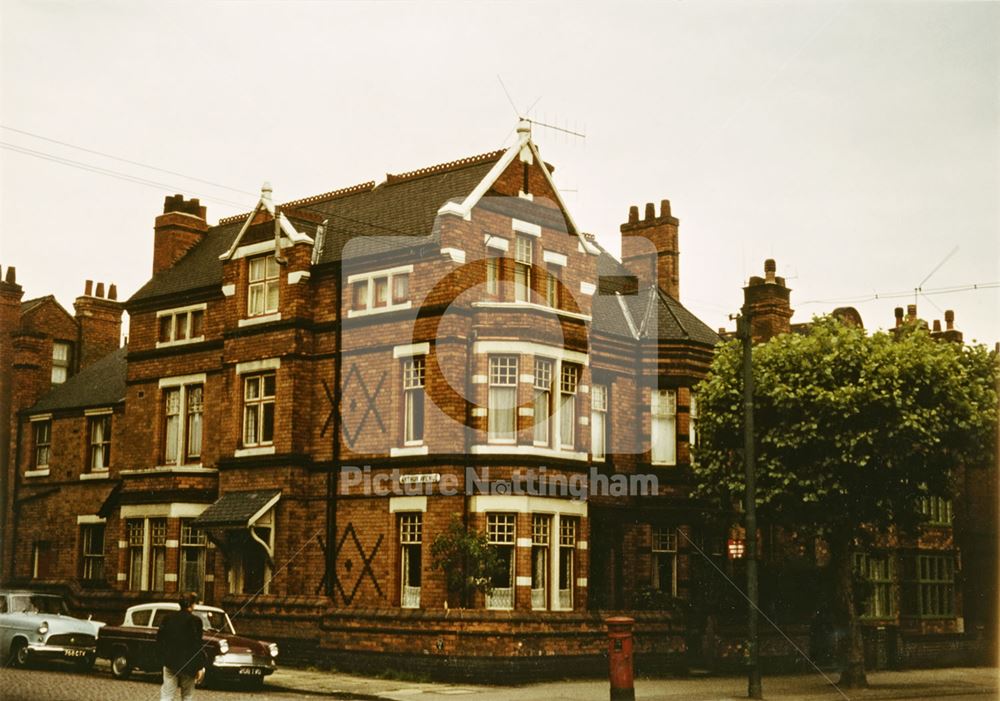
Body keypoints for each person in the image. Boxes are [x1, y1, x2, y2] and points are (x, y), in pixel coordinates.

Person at [156, 592, 206, 700]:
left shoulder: (168, 618)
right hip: (188, 664)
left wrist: (164, 657)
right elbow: (197, 645)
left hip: (170, 662)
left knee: (167, 694)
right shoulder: (195, 621)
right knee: (187, 695)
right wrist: (200, 666)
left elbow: (160, 640)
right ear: (192, 605)